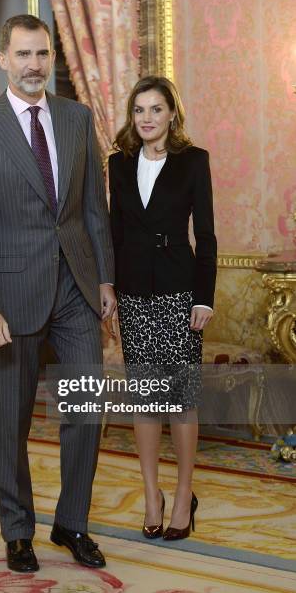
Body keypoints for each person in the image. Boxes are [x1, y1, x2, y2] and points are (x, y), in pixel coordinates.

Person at [0, 14, 116, 572]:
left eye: (42, 54)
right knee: (12, 420)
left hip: (75, 288)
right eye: (23, 54)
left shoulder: (76, 118)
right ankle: (17, 531)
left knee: (85, 411)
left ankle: (72, 523)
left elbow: (94, 208)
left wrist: (105, 280)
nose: (34, 65)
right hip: (11, 296)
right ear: (4, 60)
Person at [108, 76, 217, 541]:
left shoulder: (194, 162)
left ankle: (184, 491)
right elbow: (113, 231)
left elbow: (207, 235)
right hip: (133, 294)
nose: (147, 118)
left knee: (180, 400)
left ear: (173, 113)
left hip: (178, 292)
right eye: (139, 111)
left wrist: (204, 297)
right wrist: (107, 285)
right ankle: (152, 493)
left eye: (156, 109)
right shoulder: (118, 163)